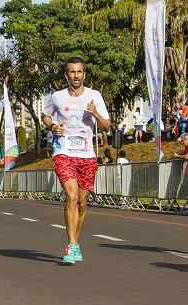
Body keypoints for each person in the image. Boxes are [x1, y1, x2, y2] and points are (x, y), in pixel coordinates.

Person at [41, 56, 111, 264]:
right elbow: (45, 116)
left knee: (82, 203)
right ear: (66, 75)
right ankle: (71, 246)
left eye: (79, 72)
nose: (76, 75)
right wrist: (53, 126)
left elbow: (107, 125)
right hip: (63, 152)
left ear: (84, 74)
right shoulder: (57, 97)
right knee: (71, 196)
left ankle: (75, 243)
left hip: (87, 156)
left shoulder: (94, 95)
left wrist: (95, 113)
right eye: (72, 72)